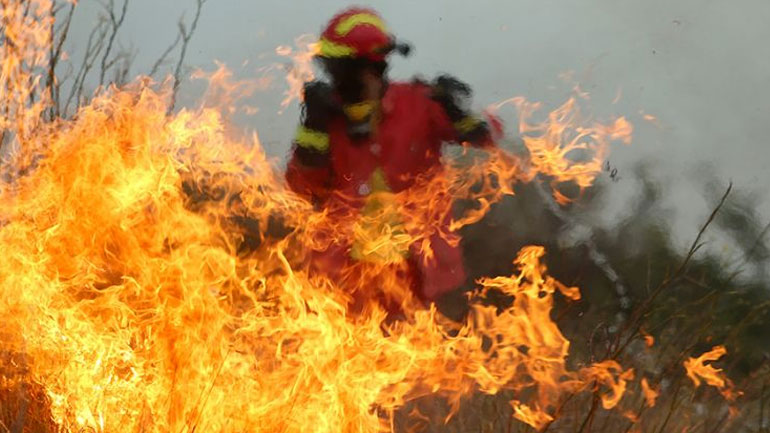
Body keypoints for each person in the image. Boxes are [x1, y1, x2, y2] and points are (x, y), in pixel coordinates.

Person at [286, 7, 501, 313]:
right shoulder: (326, 119)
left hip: (423, 279)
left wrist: (460, 109)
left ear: (372, 68)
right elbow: (301, 189)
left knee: (432, 358)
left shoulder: (418, 104)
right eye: (331, 70)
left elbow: (490, 137)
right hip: (346, 283)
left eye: (341, 71)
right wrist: (312, 130)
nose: (335, 80)